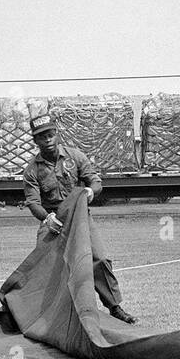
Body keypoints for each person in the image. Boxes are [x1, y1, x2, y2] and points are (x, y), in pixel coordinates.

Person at [23, 113, 137, 324]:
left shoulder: (75, 156)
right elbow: (33, 202)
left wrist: (91, 192)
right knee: (44, 266)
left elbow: (95, 181)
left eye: (50, 134)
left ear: (56, 134)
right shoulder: (32, 170)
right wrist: (47, 218)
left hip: (80, 217)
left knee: (99, 259)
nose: (47, 140)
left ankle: (115, 307)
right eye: (42, 137)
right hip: (53, 220)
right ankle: (41, 315)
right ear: (35, 141)